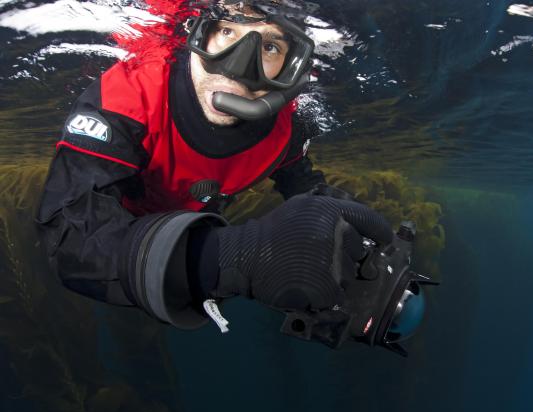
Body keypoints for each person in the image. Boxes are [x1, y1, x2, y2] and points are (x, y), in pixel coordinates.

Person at [36, 0, 393, 332]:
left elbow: (300, 180)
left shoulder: (286, 130)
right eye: (226, 31)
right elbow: (70, 240)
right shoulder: (127, 99)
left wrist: (352, 237)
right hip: (131, 230)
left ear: (294, 67)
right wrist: (224, 257)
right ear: (197, 32)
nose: (237, 69)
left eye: (270, 47)